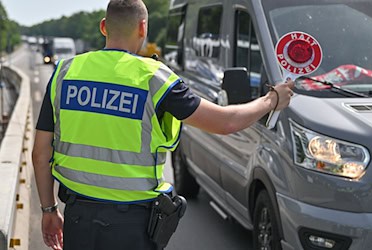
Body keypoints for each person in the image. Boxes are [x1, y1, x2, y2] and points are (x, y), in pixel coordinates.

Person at [31, 0, 294, 249]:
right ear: (143, 27)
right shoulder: (154, 78)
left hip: (79, 220)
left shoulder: (65, 72)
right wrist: (272, 99)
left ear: (103, 26)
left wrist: (49, 209)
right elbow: (225, 122)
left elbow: (41, 154)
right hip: (132, 226)